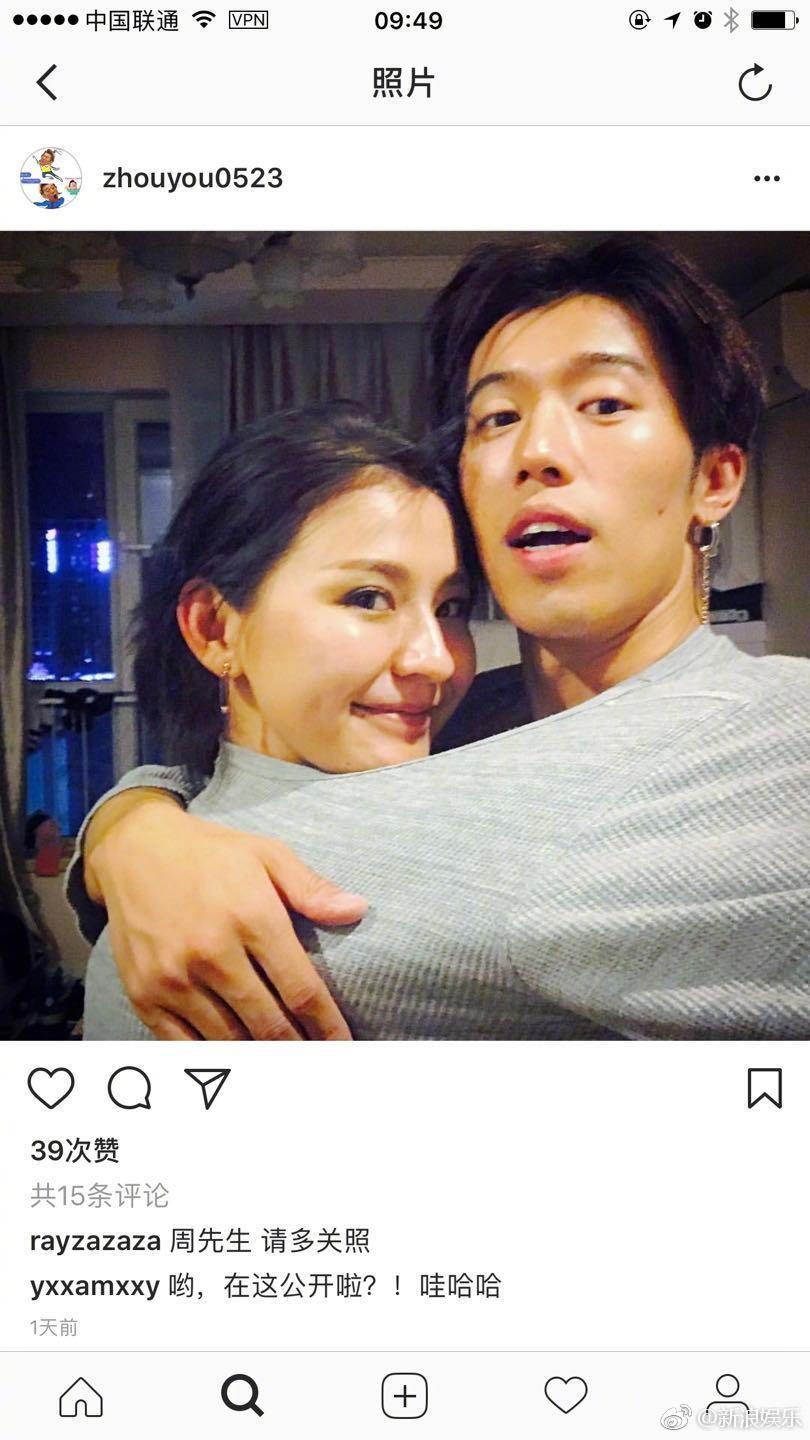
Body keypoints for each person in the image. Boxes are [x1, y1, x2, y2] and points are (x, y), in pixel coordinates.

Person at [72, 237, 810, 1042]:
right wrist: (134, 832)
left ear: (715, 478)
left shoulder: (775, 738)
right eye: (498, 417)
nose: (536, 452)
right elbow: (229, 774)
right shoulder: (455, 720)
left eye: (604, 404)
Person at [81, 402, 477, 1039]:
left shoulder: (493, 740)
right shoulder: (185, 940)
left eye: (452, 606)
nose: (435, 659)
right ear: (216, 629)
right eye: (368, 597)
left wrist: (126, 823)